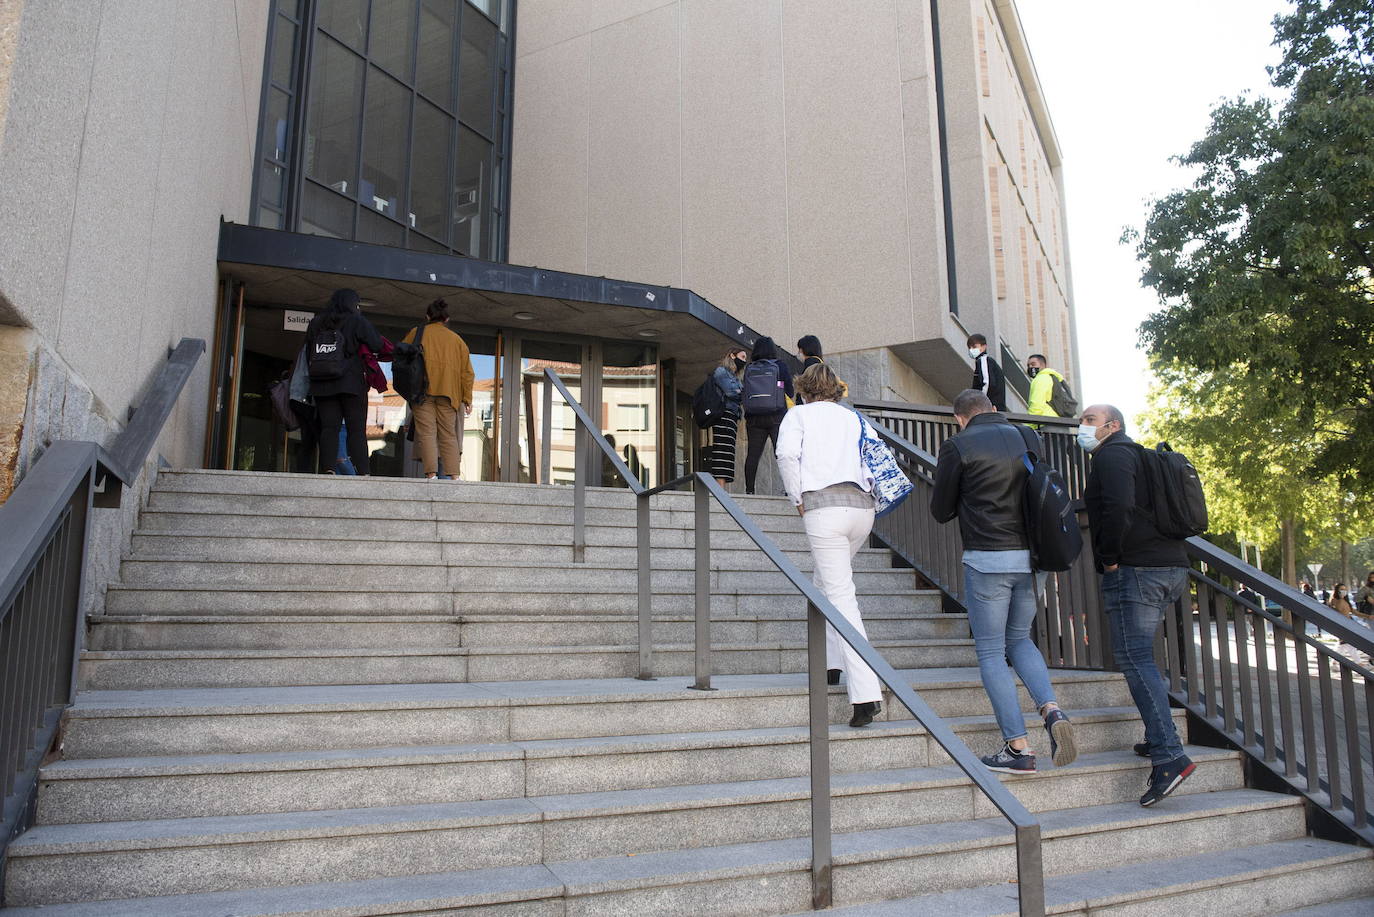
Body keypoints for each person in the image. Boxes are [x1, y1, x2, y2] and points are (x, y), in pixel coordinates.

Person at [929, 389, 1077, 775]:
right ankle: (1051, 709)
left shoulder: (958, 445)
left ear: (959, 418)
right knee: (1020, 639)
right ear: (993, 410)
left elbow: (941, 510)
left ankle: (1018, 748)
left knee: (992, 651)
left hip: (988, 559)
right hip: (1033, 560)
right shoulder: (1028, 436)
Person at [1079, 403, 1196, 806]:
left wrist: (1109, 557)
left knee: (1134, 658)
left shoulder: (1111, 455)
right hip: (1171, 567)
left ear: (1112, 426)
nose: (1082, 426)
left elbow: (1118, 507)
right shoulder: (1144, 456)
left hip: (1137, 570)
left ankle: (1169, 755)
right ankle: (1155, 736)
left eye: (1089, 420)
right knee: (1143, 656)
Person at [776, 363, 883, 727]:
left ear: (803, 390)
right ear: (835, 390)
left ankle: (867, 694)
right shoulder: (852, 418)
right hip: (862, 510)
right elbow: (875, 457)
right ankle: (830, 664)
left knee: (840, 597)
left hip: (824, 508)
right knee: (824, 585)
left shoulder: (799, 416)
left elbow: (787, 456)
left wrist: (797, 499)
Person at [305, 289, 385, 475]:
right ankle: (363, 471)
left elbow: (309, 350)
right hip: (351, 382)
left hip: (322, 382)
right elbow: (377, 345)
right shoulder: (356, 320)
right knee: (356, 429)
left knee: (329, 427)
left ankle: (328, 469)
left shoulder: (316, 322)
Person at [402, 299, 475, 481]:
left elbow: (402, 359)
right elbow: (467, 373)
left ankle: (431, 475)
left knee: (427, 433)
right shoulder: (457, 341)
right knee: (448, 434)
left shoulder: (415, 333)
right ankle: (455, 477)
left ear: (427, 316)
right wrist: (467, 398)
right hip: (449, 393)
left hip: (421, 392)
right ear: (447, 318)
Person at [741, 336, 794, 494]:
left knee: (753, 454)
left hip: (754, 418)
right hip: (777, 416)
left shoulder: (750, 368)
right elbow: (789, 391)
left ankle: (749, 490)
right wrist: (779, 386)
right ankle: (789, 490)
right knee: (782, 454)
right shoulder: (780, 366)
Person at [707, 349, 746, 487]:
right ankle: (719, 489)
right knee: (722, 451)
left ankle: (721, 488)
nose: (744, 361)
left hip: (732, 416)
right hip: (723, 415)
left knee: (728, 452)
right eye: (742, 357)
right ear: (732, 355)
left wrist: (740, 392)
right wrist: (742, 392)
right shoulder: (721, 372)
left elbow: (739, 393)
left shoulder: (734, 376)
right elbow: (732, 392)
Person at [967, 334, 1006, 411]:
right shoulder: (988, 362)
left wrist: (980, 403)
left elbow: (987, 383)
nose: (971, 350)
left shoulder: (983, 360)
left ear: (984, 347)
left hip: (990, 407)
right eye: (969, 348)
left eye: (974, 347)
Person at [1026, 354, 1070, 418]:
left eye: (1033, 364)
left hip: (1046, 422)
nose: (1030, 367)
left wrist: (1029, 424)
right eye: (1028, 365)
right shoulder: (1054, 379)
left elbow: (1036, 404)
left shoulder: (1041, 378)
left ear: (1043, 365)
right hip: (1060, 422)